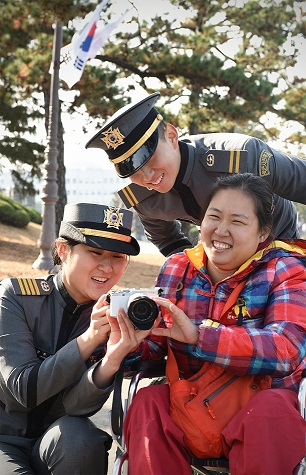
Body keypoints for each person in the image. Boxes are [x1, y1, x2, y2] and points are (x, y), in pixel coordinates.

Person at [119, 174, 306, 475]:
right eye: (214, 217)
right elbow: (154, 347)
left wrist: (199, 337)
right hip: (190, 401)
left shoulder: (285, 269)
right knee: (148, 401)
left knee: (270, 411)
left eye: (237, 221)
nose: (221, 230)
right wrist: (125, 342)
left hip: (260, 402)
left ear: (263, 234)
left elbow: (286, 349)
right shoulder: (178, 267)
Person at [0, 203, 153, 475]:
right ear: (62, 250)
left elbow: (75, 407)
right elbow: (23, 390)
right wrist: (90, 338)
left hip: (57, 440)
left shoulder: (113, 313)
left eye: (118, 256)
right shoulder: (16, 298)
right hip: (4, 438)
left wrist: (112, 359)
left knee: (81, 438)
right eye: (95, 252)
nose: (107, 267)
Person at [85, 92, 306, 257]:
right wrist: (196, 270)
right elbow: (166, 239)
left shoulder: (242, 156)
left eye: (149, 159)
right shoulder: (143, 199)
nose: (147, 176)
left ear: (171, 136)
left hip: (281, 245)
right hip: (224, 260)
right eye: (132, 170)